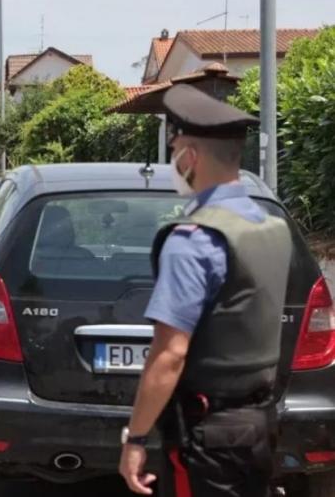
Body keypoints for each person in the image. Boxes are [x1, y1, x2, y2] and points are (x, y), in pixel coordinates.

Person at [118, 84, 293, 497]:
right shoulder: (273, 229)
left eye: (175, 149)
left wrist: (136, 439)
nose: (173, 161)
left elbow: (169, 354)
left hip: (207, 438)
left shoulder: (194, 240)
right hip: (259, 425)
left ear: (190, 157)